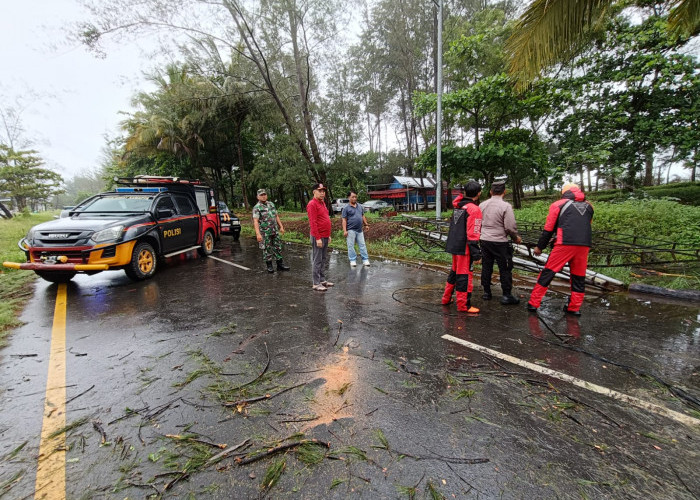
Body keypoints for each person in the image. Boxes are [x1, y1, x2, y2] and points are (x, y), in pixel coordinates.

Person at [526, 183, 594, 316]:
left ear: (564, 192)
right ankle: (574, 307)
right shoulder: (589, 206)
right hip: (584, 245)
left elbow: (548, 229)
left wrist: (540, 247)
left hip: (564, 244)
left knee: (548, 273)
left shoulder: (558, 204)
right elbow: (584, 225)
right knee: (578, 277)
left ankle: (533, 303)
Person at [441, 181, 483, 313]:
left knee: (454, 273)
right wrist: (476, 253)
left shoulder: (458, 206)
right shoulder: (474, 209)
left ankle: (446, 298)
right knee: (464, 276)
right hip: (464, 248)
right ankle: (463, 305)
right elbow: (473, 233)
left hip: (454, 244)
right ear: (479, 193)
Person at [479, 180, 522, 305]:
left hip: (485, 240)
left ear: (491, 192)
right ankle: (506, 295)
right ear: (505, 192)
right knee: (505, 267)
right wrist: (515, 238)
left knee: (487, 265)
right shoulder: (506, 206)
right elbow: (509, 227)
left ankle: (486, 292)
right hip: (500, 242)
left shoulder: (482, 205)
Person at [252, 188, 290, 273]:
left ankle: (280, 265)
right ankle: (269, 266)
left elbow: (276, 216)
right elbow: (255, 221)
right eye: (261, 195)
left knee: (278, 247)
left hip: (274, 230)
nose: (263, 196)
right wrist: (258, 234)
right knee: (267, 249)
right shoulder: (257, 207)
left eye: (264, 194)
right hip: (265, 232)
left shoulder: (271, 204)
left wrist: (281, 226)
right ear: (258, 197)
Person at [306, 182, 333, 291]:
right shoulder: (312, 204)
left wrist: (328, 235)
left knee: (323, 259)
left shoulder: (322, 203)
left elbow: (325, 219)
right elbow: (313, 222)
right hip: (318, 236)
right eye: (319, 191)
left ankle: (322, 280)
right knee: (317, 259)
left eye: (323, 191)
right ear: (314, 192)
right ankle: (316, 283)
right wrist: (317, 238)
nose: (322, 193)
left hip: (325, 235)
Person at [341, 191, 370, 267]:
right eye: (352, 197)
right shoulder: (346, 208)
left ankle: (365, 259)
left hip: (359, 229)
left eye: (355, 197)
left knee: (362, 245)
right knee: (350, 246)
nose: (354, 198)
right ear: (349, 198)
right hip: (350, 230)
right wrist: (345, 230)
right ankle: (353, 260)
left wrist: (366, 224)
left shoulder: (360, 206)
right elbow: (344, 220)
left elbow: (362, 216)